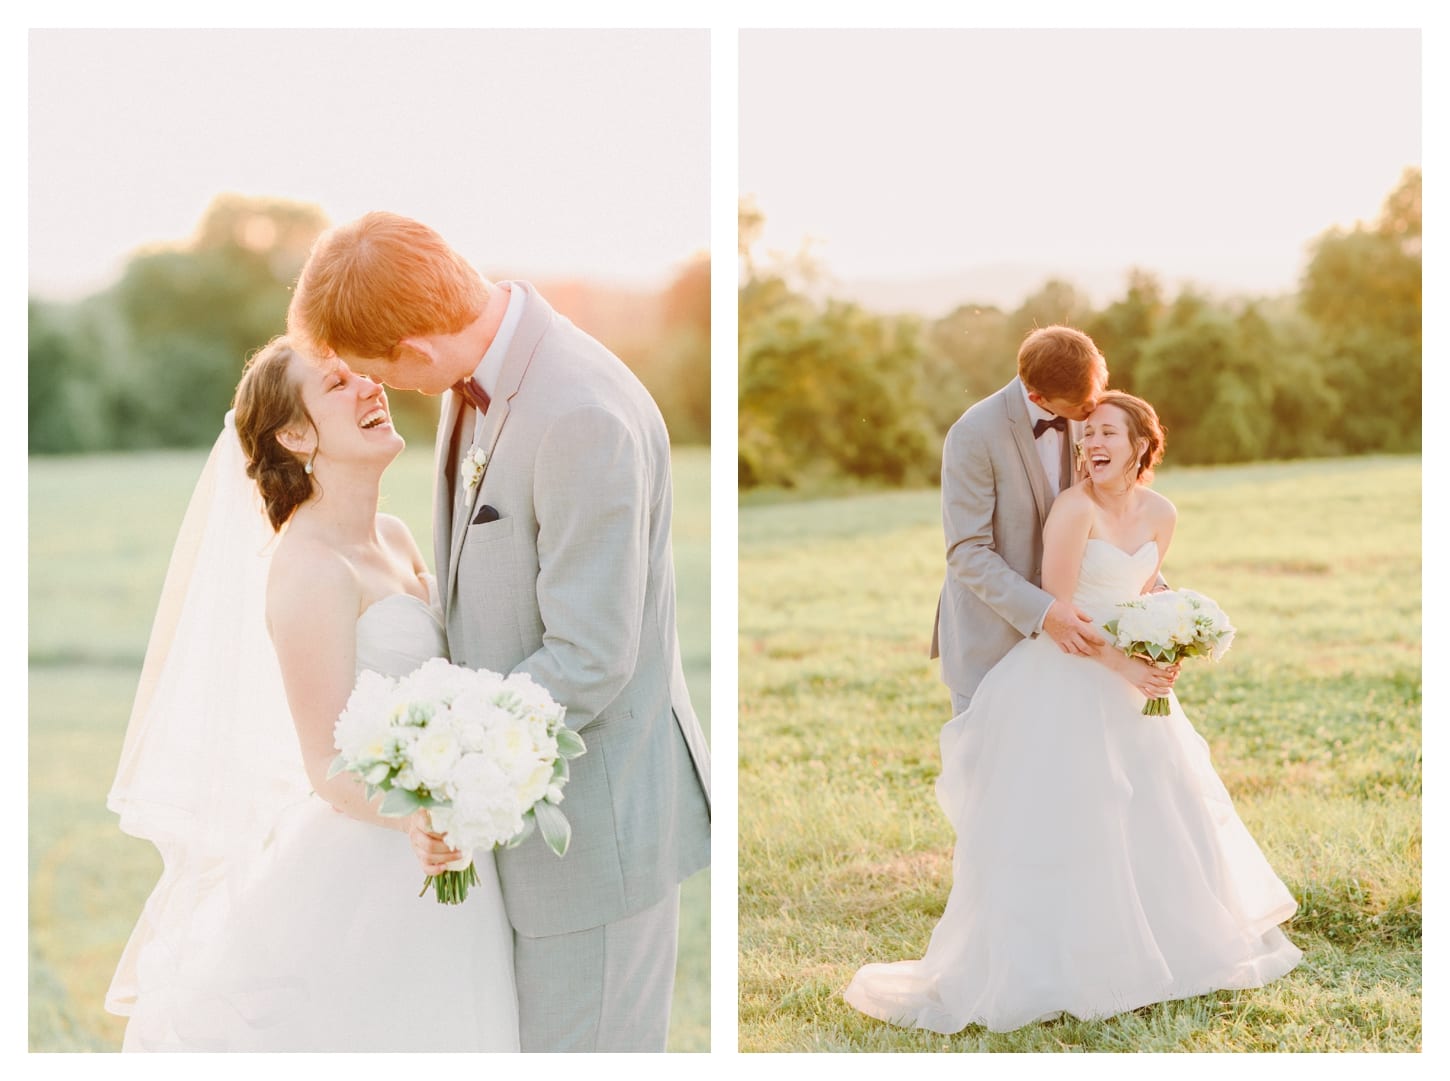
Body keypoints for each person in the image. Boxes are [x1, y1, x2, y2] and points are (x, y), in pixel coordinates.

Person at [286, 211, 712, 1053]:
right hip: (513, 840)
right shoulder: (477, 383)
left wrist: (444, 757)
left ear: (414, 347)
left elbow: (589, 654)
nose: (388, 390)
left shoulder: (577, 411)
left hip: (594, 839)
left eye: (378, 372)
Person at [106, 338, 519, 1050]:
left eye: (363, 373)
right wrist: (416, 820)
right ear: (295, 434)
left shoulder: (392, 536)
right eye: (337, 384)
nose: (369, 387)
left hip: (453, 850)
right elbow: (326, 767)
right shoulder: (307, 570)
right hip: (378, 869)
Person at [845, 392, 1302, 1033]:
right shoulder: (1072, 507)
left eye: (1107, 432)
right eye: (1086, 435)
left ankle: (1165, 953)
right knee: (1077, 819)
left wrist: (1170, 639)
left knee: (1157, 811)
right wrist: (1127, 667)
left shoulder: (1163, 514)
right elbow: (1062, 613)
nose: (1091, 444)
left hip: (1136, 685)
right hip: (1070, 674)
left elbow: (1144, 591)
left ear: (1142, 443)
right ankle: (1068, 964)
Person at [931, 325, 1178, 715]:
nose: (1093, 411)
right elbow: (967, 552)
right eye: (1083, 408)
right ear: (1038, 397)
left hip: (1084, 644)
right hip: (994, 636)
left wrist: (1153, 586)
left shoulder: (1090, 413)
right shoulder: (973, 435)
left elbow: (1114, 507)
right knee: (990, 768)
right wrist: (1045, 612)